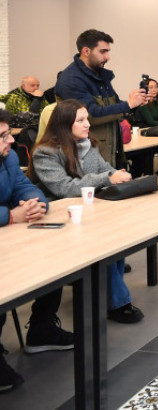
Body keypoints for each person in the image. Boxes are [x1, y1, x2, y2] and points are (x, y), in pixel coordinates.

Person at [27, 99, 145, 323]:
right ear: (64, 124)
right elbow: (64, 188)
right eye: (80, 120)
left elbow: (106, 170)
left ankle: (110, 293)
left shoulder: (88, 145)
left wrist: (118, 174)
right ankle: (117, 302)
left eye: (87, 119)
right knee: (102, 241)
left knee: (117, 234)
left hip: (87, 210)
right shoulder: (45, 152)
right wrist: (107, 178)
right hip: (58, 217)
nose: (87, 124)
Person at [0, 109, 73, 393]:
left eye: (8, 134)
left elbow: (25, 186)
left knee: (53, 253)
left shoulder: (8, 158)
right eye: (3, 136)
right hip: (7, 227)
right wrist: (10, 216)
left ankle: (42, 329)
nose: (11, 141)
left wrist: (35, 204)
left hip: (9, 235)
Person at [55, 29, 150, 168]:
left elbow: (114, 106)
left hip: (109, 151)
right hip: (85, 158)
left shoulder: (99, 75)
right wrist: (128, 105)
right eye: (103, 52)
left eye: (108, 52)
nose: (107, 57)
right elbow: (90, 115)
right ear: (86, 51)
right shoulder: (71, 80)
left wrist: (135, 104)